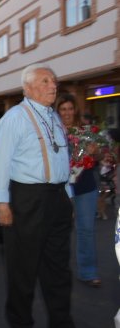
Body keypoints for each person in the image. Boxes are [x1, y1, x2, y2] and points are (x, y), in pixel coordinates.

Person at [0, 64, 92, 328]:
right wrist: (2, 204)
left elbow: (62, 162)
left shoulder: (55, 119)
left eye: (54, 81)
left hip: (57, 196)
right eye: (45, 81)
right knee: (23, 266)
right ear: (28, 88)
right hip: (26, 198)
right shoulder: (15, 118)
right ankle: (21, 324)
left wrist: (68, 199)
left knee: (58, 266)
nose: (53, 85)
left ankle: (61, 324)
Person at [56, 93, 102, 288]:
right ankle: (57, 272)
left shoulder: (85, 131)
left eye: (70, 108)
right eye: (63, 109)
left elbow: (99, 155)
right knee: (59, 231)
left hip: (85, 186)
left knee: (85, 230)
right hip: (60, 188)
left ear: (75, 110)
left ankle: (88, 272)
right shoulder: (53, 131)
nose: (67, 113)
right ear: (58, 111)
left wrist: (95, 152)